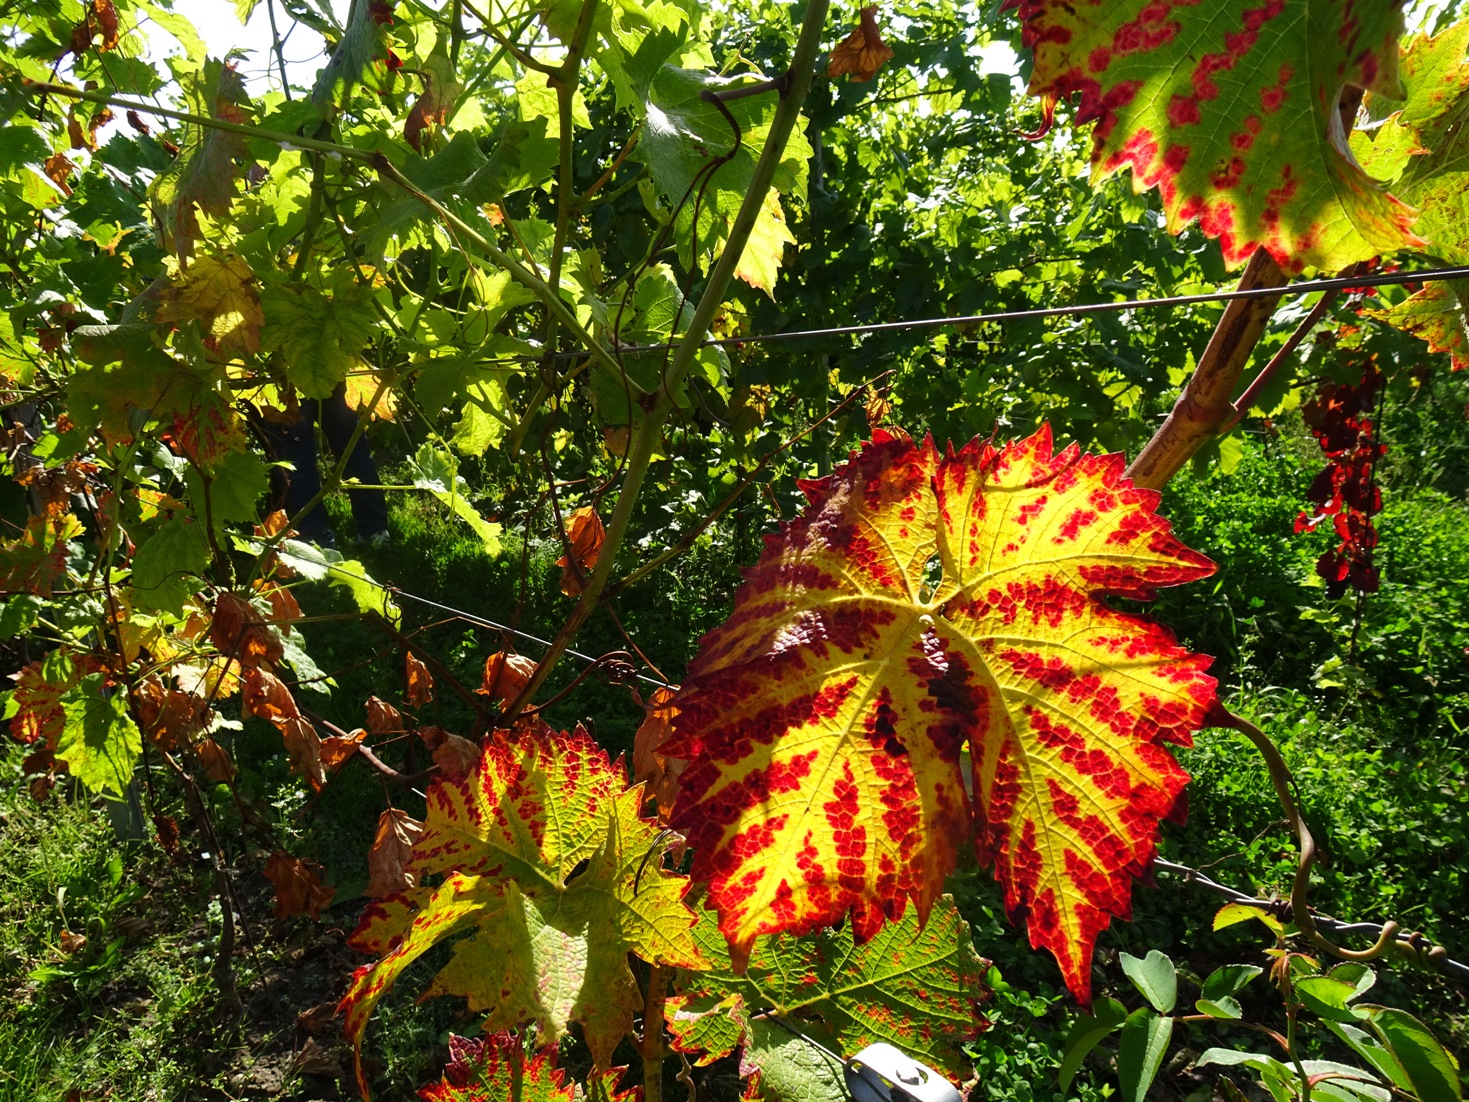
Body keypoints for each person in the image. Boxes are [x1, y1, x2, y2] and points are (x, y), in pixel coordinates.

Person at [256, 383, 389, 549]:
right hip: (331, 366)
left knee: (296, 464)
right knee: (352, 449)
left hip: (285, 375)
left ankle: (317, 544)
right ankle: (375, 532)